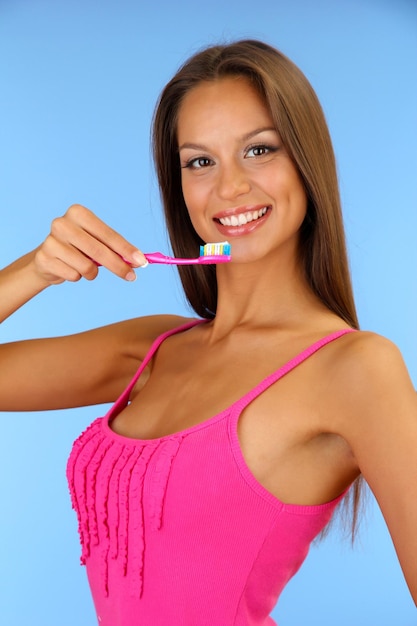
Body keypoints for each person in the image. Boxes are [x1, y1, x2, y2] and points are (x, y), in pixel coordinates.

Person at [0, 39, 416, 625]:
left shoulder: (355, 368)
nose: (229, 188)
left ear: (306, 159)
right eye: (200, 161)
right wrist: (33, 270)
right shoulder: (148, 350)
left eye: (259, 150)